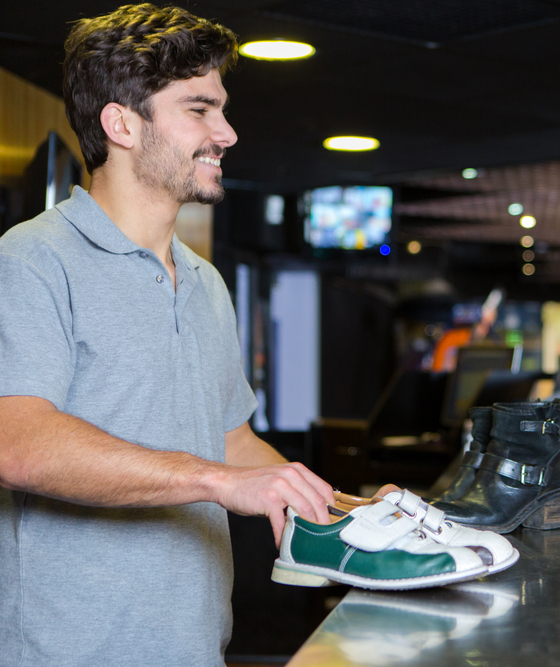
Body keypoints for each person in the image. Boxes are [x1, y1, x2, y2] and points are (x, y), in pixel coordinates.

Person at [0, 5, 373, 666]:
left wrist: (351, 509)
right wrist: (215, 481)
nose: (226, 133)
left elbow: (229, 442)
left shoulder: (203, 282)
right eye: (199, 110)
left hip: (193, 648)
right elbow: (17, 440)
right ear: (122, 124)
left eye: (222, 110)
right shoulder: (32, 260)